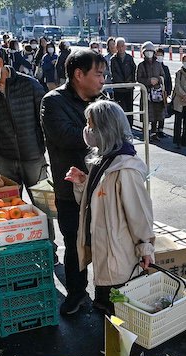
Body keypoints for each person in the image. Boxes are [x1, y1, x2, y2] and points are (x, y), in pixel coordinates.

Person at [65, 100, 154, 317]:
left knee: (119, 308)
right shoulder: (103, 161)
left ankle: (126, 349)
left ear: (105, 129)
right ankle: (111, 346)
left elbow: (140, 215)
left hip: (118, 252)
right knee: (107, 303)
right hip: (106, 248)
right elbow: (95, 201)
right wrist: (82, 182)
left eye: (91, 125)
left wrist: (146, 248)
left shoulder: (125, 169)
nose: (87, 130)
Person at [40, 49, 107, 316]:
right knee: (74, 243)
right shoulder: (53, 101)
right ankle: (77, 294)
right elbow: (65, 136)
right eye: (99, 74)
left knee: (104, 242)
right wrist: (103, 131)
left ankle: (104, 296)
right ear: (79, 75)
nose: (103, 80)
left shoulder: (102, 99)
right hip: (69, 189)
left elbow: (117, 134)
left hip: (102, 188)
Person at [0, 44, 48, 191]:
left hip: (33, 158)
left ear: (0, 63)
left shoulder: (30, 85)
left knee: (43, 204)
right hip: (5, 160)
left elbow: (45, 122)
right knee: (10, 205)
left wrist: (43, 148)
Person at [136, 41, 165, 141]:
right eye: (147, 51)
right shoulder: (141, 65)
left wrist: (158, 80)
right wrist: (149, 81)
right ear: (143, 53)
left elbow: (162, 76)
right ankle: (145, 132)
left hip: (156, 93)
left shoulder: (158, 64)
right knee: (146, 113)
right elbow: (138, 79)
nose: (149, 53)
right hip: (146, 93)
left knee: (156, 113)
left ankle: (154, 132)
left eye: (151, 51)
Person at [110, 37, 136, 127]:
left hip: (129, 88)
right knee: (119, 109)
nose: (120, 48)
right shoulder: (113, 59)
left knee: (129, 109)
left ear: (125, 47)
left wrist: (130, 82)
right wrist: (122, 84)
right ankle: (120, 128)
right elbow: (114, 73)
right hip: (118, 89)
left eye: (122, 46)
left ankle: (130, 127)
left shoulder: (129, 58)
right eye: (118, 46)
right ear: (116, 47)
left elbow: (133, 71)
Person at [155, 47, 172, 137]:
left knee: (162, 111)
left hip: (163, 92)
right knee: (154, 111)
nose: (159, 57)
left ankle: (160, 129)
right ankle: (154, 129)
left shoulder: (165, 68)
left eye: (161, 55)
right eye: (158, 55)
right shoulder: (153, 66)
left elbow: (168, 80)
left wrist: (168, 92)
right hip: (154, 92)